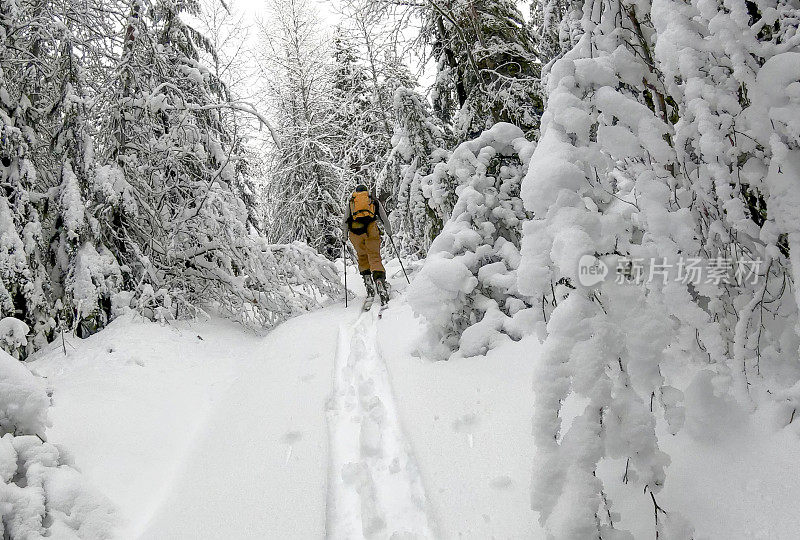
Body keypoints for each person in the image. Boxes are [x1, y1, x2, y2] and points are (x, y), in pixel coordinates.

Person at [342, 185, 392, 304]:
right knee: (374, 256)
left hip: (355, 234)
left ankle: (368, 281)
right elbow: (384, 218)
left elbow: (345, 220)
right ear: (366, 192)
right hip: (371, 231)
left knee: (362, 256)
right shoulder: (373, 200)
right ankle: (380, 282)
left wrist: (344, 237)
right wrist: (389, 232)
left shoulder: (352, 202)